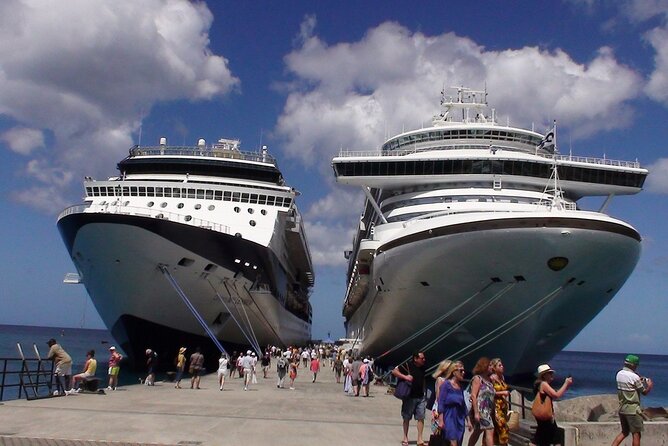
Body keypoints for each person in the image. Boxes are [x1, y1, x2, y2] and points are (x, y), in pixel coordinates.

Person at [611, 354, 653, 446]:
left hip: (622, 408)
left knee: (624, 432)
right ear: (634, 365)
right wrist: (649, 386)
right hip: (633, 410)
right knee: (636, 434)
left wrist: (638, 380)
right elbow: (644, 392)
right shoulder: (634, 377)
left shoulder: (619, 374)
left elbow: (630, 383)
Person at [392, 351, 428, 446]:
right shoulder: (407, 365)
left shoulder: (423, 368)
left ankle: (420, 439)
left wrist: (424, 392)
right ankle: (405, 437)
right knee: (407, 417)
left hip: (420, 396)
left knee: (421, 418)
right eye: (422, 358)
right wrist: (405, 377)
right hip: (409, 396)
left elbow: (423, 379)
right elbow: (394, 371)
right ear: (415, 359)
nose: (424, 360)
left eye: (424, 358)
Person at [532, 363, 573, 446]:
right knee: (554, 437)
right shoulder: (544, 384)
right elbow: (556, 395)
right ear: (544, 375)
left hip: (542, 416)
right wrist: (566, 384)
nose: (552, 374)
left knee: (542, 437)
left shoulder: (539, 384)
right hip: (545, 416)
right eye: (549, 373)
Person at [437, 360, 470, 446]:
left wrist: (468, 421)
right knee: (453, 441)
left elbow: (463, 405)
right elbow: (441, 402)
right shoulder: (446, 385)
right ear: (454, 372)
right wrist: (441, 420)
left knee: (458, 442)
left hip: (460, 418)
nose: (463, 373)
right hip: (449, 416)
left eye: (464, 371)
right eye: (461, 371)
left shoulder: (461, 387)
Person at [468, 357, 495, 446]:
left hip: (488, 411)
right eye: (490, 365)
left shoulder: (489, 381)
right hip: (481, 410)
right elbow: (473, 395)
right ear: (484, 366)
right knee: (490, 430)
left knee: (477, 432)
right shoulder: (478, 379)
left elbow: (492, 397)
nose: (492, 367)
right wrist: (476, 413)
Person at [489, 358, 511, 446]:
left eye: (502, 365)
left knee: (496, 430)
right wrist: (502, 392)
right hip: (495, 406)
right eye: (499, 365)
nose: (502, 367)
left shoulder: (502, 377)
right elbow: (489, 393)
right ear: (494, 368)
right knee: (503, 428)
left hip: (503, 406)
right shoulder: (491, 379)